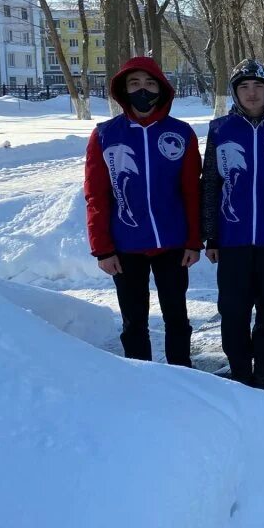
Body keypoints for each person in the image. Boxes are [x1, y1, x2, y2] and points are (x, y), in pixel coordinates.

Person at [84, 57, 202, 366]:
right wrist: (103, 249)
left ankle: (182, 376)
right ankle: (142, 379)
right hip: (125, 246)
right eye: (134, 83)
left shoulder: (181, 133)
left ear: (162, 89)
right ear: (123, 90)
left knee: (177, 316)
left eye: (150, 83)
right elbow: (96, 195)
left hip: (173, 244)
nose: (143, 90)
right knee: (134, 321)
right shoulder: (105, 135)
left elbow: (192, 191)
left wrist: (193, 240)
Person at [201, 59, 264, 390]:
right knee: (233, 310)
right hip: (233, 239)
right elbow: (211, 184)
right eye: (244, 87)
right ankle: (240, 371)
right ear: (235, 93)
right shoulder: (219, 129)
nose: (252, 93)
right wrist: (211, 235)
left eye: (258, 86)